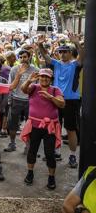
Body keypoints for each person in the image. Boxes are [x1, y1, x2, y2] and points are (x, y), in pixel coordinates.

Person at [38, 34, 83, 168]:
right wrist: (40, 45)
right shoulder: (56, 64)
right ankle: (56, 152)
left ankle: (72, 155)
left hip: (71, 101)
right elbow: (46, 57)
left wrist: (77, 44)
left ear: (70, 53)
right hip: (56, 99)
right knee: (54, 127)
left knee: (71, 129)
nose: (62, 54)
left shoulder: (75, 65)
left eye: (65, 52)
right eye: (60, 52)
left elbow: (82, 57)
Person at [20, 68, 64, 190]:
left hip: (50, 127)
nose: (44, 79)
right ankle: (30, 173)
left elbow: (62, 104)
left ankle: (51, 177)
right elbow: (23, 89)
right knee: (32, 150)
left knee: (50, 153)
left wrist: (50, 97)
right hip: (34, 125)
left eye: (47, 77)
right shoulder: (34, 87)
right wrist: (29, 80)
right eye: (42, 76)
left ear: (51, 79)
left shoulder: (55, 90)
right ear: (39, 77)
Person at [4, 49, 37, 153]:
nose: (23, 59)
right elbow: (10, 85)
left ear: (29, 57)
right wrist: (9, 100)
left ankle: (28, 146)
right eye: (21, 57)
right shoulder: (14, 69)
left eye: (25, 57)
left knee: (30, 125)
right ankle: (12, 143)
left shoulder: (35, 70)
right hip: (16, 99)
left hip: (30, 101)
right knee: (12, 124)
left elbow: (37, 87)